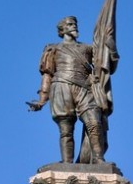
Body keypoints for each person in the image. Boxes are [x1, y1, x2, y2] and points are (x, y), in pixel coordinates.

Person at [27, 16, 119, 164]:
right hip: (61, 85)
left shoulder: (88, 48)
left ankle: (98, 159)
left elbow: (105, 65)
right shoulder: (53, 48)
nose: (74, 27)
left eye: (75, 24)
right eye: (70, 24)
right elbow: (47, 74)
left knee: (94, 122)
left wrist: (111, 48)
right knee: (66, 128)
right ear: (62, 30)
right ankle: (67, 162)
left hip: (85, 87)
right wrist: (42, 100)